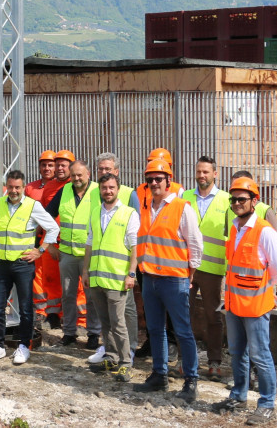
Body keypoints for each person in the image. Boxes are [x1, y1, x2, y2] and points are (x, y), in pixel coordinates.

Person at [211, 177, 277, 425]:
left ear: (254, 201)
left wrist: (264, 292)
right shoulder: (234, 227)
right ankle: (239, 396)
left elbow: (276, 268)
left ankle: (266, 404)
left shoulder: (265, 232)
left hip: (255, 306)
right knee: (237, 352)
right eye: (233, 199)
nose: (237, 203)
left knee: (260, 355)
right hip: (233, 305)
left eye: (242, 199)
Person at [133, 159, 201, 402]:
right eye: (149, 179)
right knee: (155, 330)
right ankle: (159, 375)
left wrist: (189, 275)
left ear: (168, 181)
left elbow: (195, 244)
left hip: (174, 280)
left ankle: (191, 380)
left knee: (183, 331)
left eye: (158, 179)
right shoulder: (145, 207)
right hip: (150, 278)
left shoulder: (182, 207)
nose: (153, 183)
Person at [0, 170, 60, 365]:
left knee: (25, 308)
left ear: (23, 188)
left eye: (17, 187)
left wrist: (40, 250)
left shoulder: (33, 206)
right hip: (3, 264)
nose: (13, 191)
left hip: (23, 265)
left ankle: (24, 346)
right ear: (6, 187)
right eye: (10, 187)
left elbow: (53, 228)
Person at [82, 172, 139, 383]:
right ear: (100, 190)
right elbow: (90, 243)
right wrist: (85, 270)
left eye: (111, 188)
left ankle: (125, 363)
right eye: (104, 188)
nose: (108, 191)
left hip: (117, 280)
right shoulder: (96, 212)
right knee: (105, 322)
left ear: (118, 189)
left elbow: (135, 247)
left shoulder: (128, 213)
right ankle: (112, 357)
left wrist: (131, 274)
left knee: (118, 323)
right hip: (97, 278)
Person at [180, 156, 232, 382]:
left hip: (213, 268)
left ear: (215, 174)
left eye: (206, 172)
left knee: (213, 316)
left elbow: (231, 237)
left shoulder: (227, 200)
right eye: (198, 172)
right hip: (186, 266)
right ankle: (185, 360)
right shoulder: (185, 197)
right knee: (184, 314)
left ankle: (214, 362)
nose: (201, 176)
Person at [47, 160, 101, 349]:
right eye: (73, 175)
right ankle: (69, 333)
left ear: (88, 174)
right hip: (67, 254)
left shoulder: (98, 191)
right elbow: (47, 216)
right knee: (68, 295)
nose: (76, 179)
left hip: (90, 254)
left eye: (80, 175)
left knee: (92, 296)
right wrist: (50, 245)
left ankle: (94, 333)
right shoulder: (64, 191)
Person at [34, 149, 73, 327]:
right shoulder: (49, 187)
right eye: (57, 165)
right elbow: (44, 214)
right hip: (51, 241)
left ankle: (76, 319)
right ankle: (53, 315)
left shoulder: (76, 185)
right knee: (51, 280)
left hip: (70, 242)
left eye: (63, 165)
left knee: (73, 283)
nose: (59, 168)